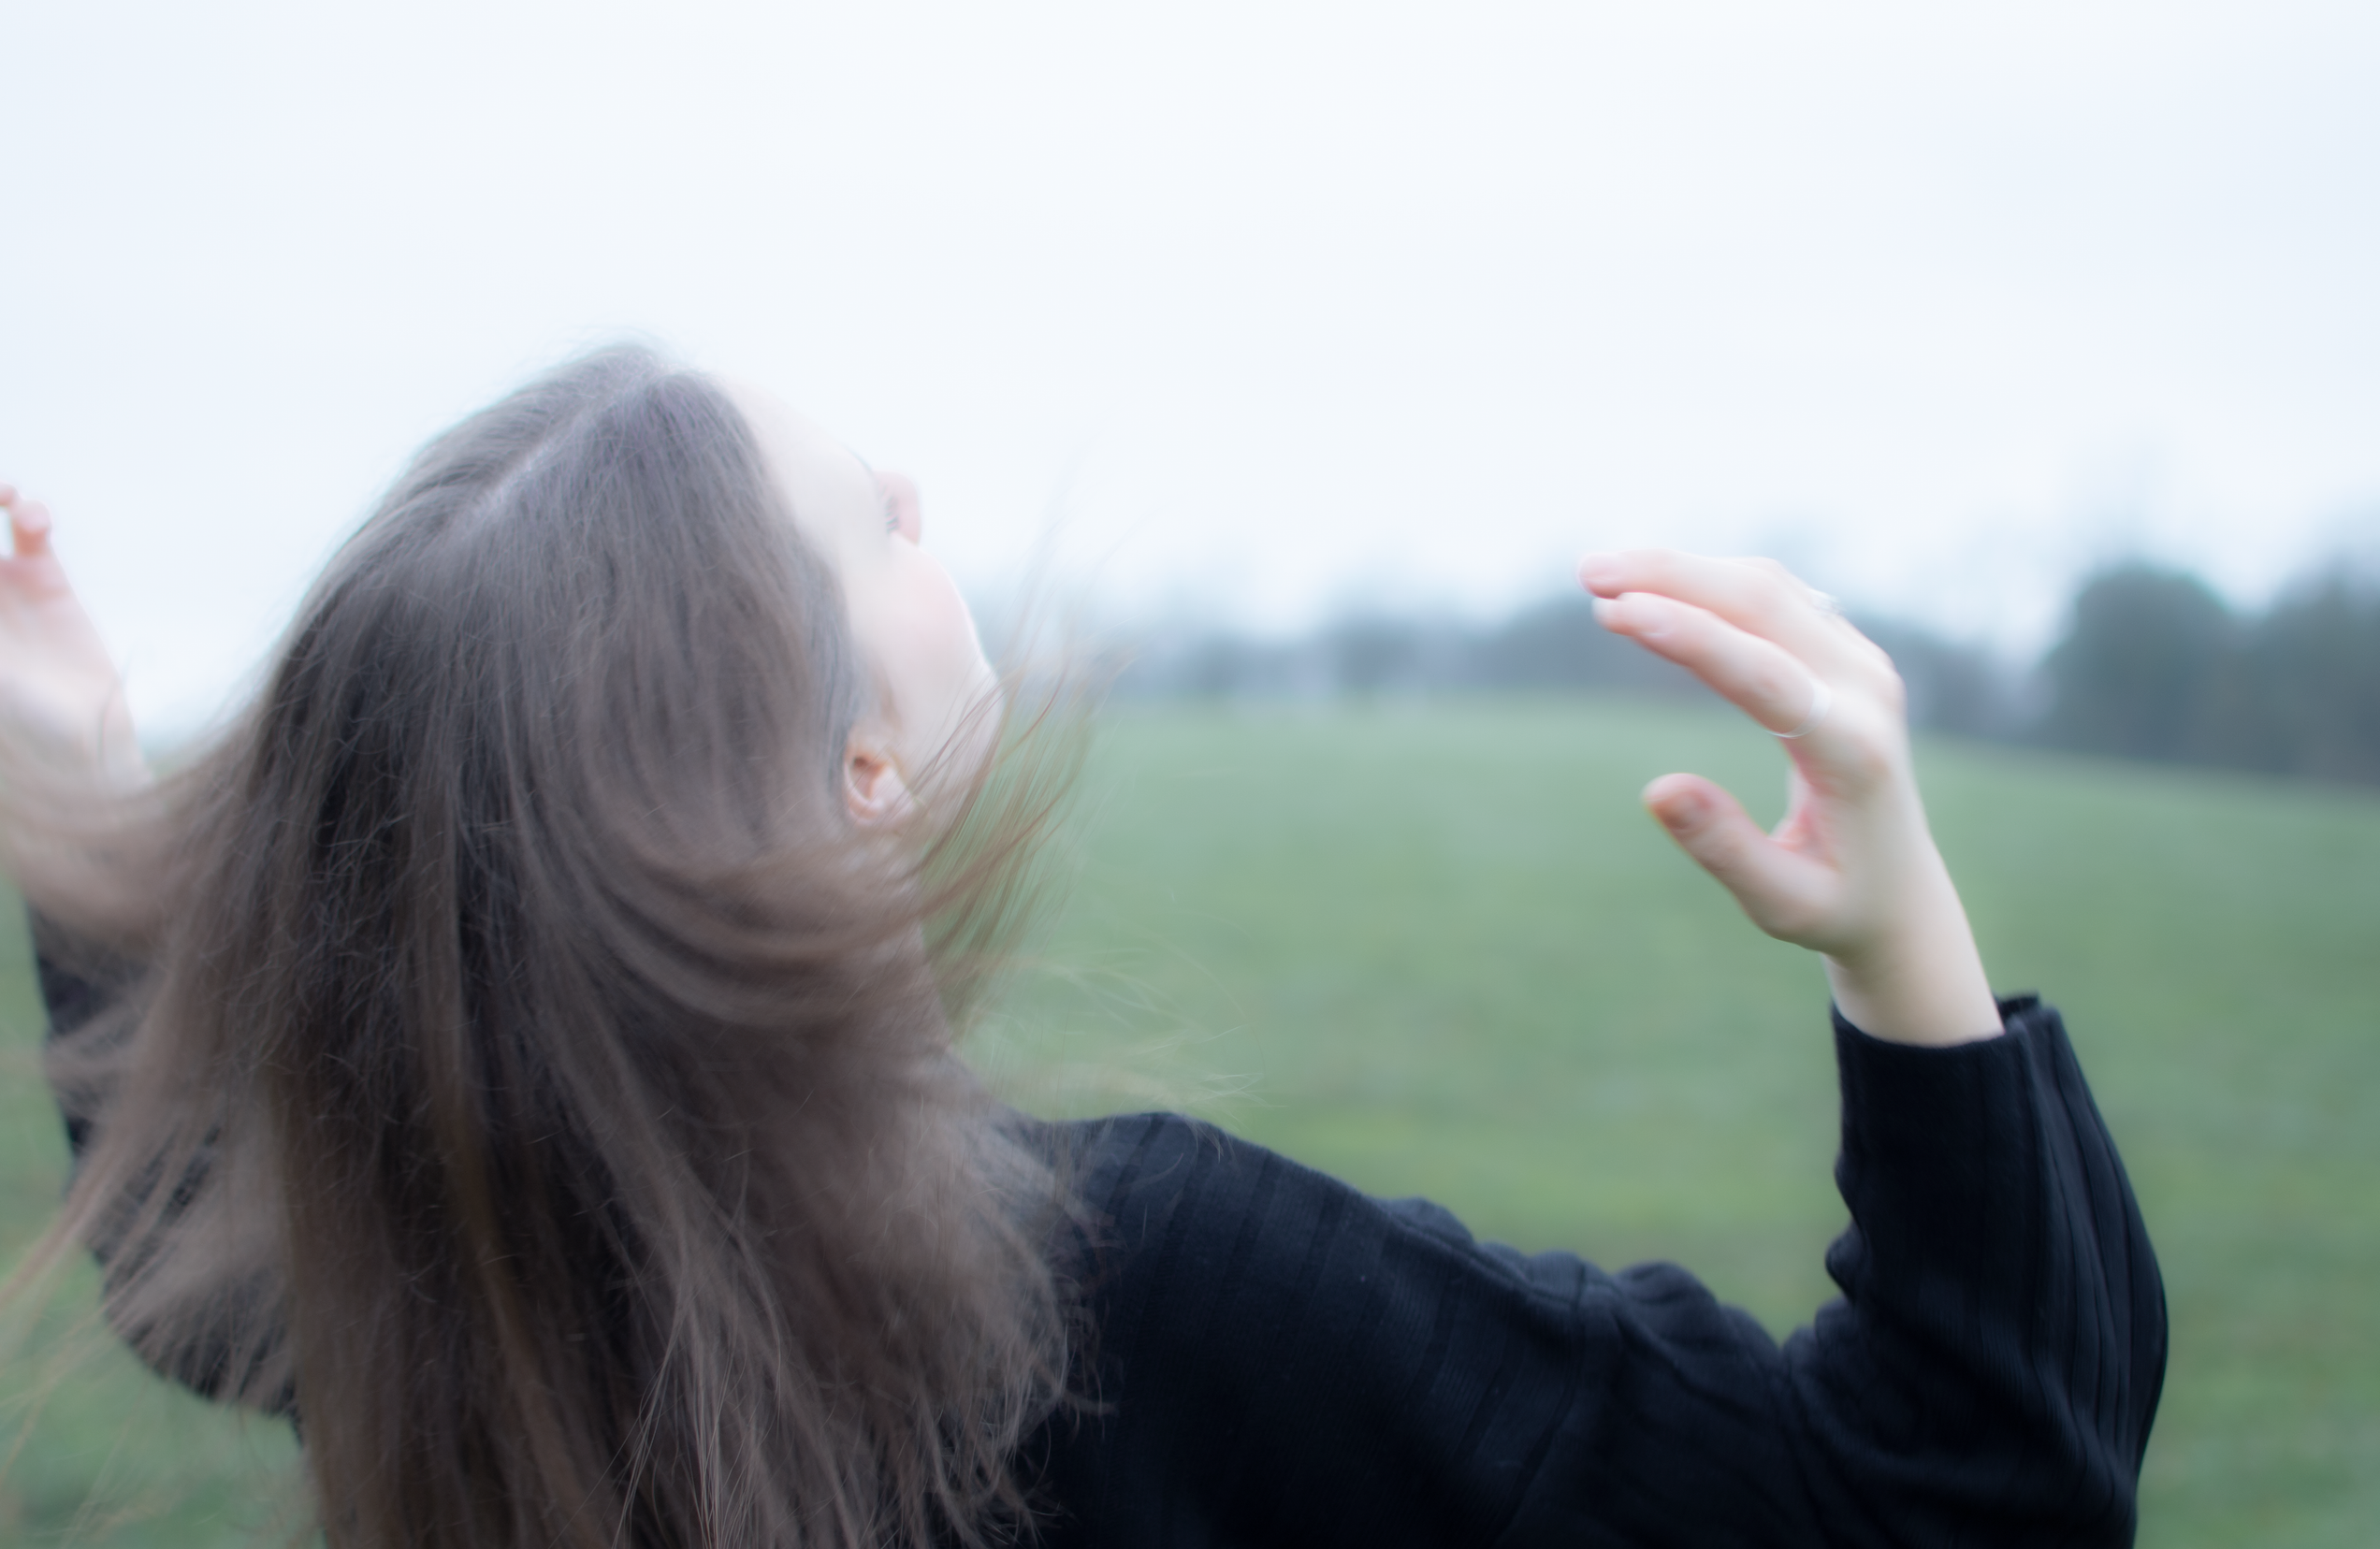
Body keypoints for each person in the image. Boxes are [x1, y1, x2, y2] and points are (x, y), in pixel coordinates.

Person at [0, 347, 2165, 1549]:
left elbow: (200, 1269)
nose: (920, 501)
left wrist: (80, 777)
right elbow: (1948, 1505)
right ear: (856, 762)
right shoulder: (1121, 1288)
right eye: (875, 519)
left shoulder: (473, 1273)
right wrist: (1899, 926)